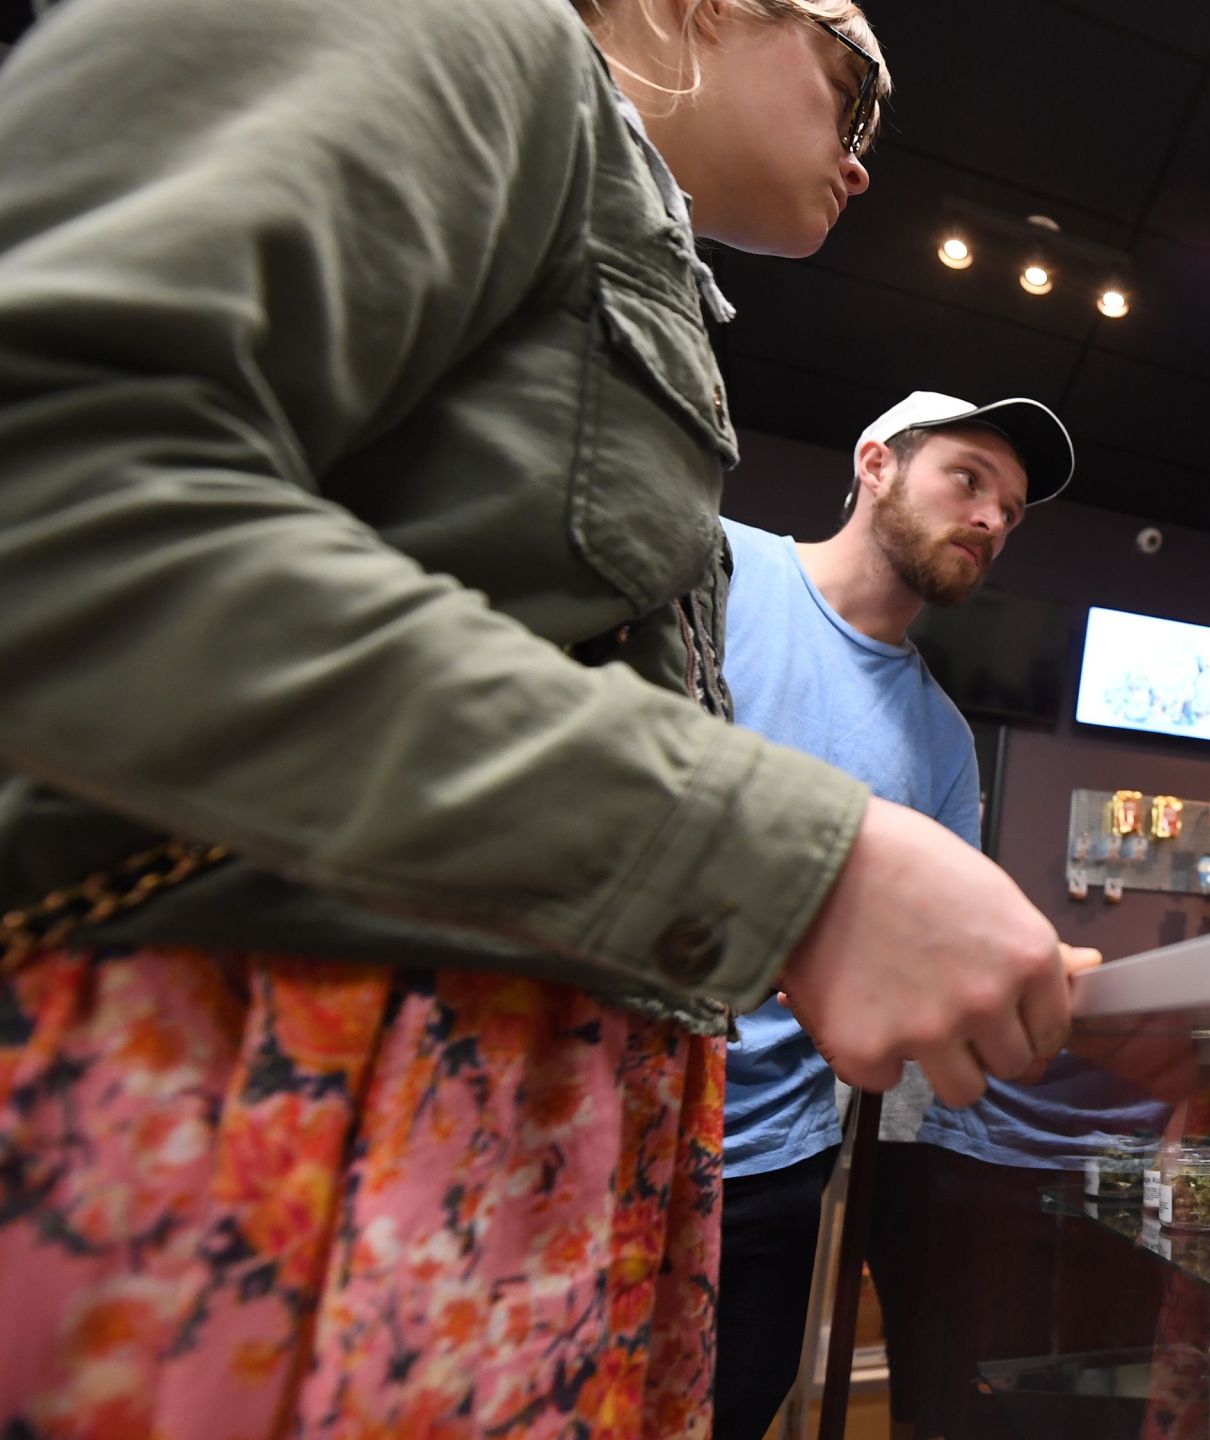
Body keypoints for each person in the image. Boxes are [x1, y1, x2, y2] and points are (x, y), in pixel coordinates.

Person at [0, 0, 1077, 1432]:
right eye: (854, 87)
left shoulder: (612, 213)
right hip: (266, 1094)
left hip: (532, 1134)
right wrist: (787, 864)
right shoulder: (456, 34)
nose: (862, 158)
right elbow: (58, 484)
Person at [710, 390, 1078, 1440]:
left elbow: (915, 972)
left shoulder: (943, 744)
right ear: (874, 463)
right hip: (607, 1096)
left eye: (1010, 508)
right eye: (968, 479)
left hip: (772, 1154)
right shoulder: (720, 569)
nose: (992, 519)